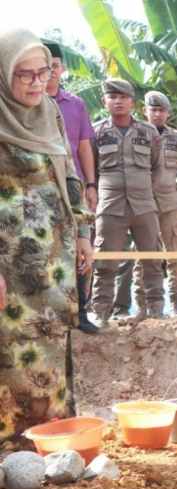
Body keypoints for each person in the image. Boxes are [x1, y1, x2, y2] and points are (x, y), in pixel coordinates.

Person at [0, 29, 94, 439]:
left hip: (53, 261)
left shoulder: (51, 112)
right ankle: (11, 444)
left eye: (45, 72)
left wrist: (83, 232)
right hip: (8, 266)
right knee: (12, 352)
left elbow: (68, 172)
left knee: (53, 345)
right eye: (26, 75)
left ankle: (53, 437)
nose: (39, 83)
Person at [91, 79, 164, 326]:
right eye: (113, 96)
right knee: (105, 260)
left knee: (152, 258)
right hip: (110, 206)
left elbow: (157, 167)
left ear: (132, 101)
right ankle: (101, 312)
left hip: (144, 205)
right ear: (105, 101)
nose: (118, 101)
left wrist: (144, 190)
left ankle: (155, 309)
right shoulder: (96, 132)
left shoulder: (149, 132)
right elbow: (91, 170)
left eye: (123, 97)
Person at [116, 91, 177, 316]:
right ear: (145, 111)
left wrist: (176, 188)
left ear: (167, 113)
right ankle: (142, 307)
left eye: (162, 110)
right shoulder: (134, 135)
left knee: (175, 254)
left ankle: (175, 305)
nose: (158, 114)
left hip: (169, 205)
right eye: (153, 110)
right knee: (143, 256)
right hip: (141, 205)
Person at [43, 40, 99, 334]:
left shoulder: (75, 105)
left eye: (54, 66)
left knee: (82, 248)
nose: (49, 73)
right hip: (43, 190)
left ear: (62, 68)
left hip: (74, 189)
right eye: (44, 67)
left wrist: (90, 184)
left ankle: (83, 313)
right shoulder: (26, 105)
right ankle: (53, 314)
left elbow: (84, 146)